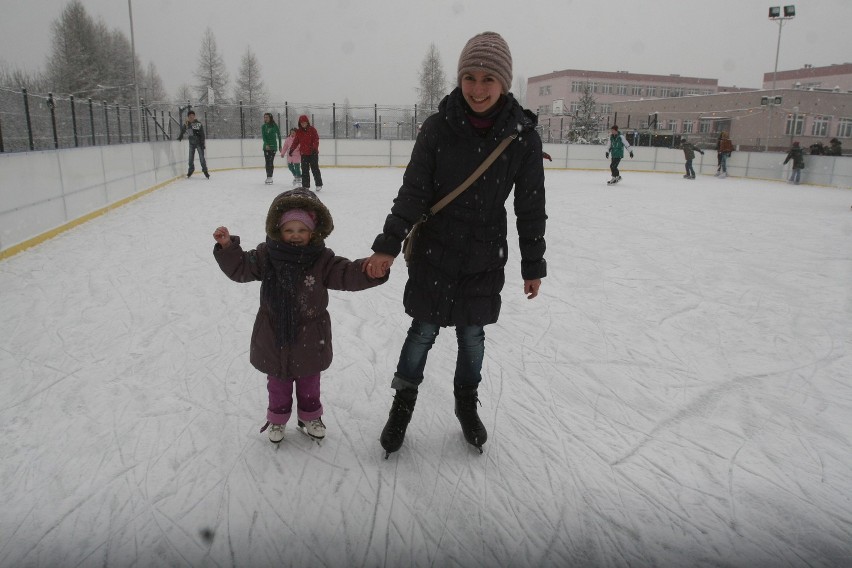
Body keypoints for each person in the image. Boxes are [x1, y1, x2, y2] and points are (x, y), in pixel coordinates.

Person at [363, 31, 547, 457]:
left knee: (472, 335)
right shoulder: (438, 127)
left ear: (504, 82)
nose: (478, 89)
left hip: (485, 252)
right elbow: (413, 192)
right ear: (459, 78)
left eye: (488, 79)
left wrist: (533, 265)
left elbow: (530, 206)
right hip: (435, 249)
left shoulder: (522, 136)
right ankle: (402, 405)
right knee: (422, 331)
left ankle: (466, 405)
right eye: (469, 77)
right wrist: (388, 245)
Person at [213, 188, 388, 444]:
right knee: (278, 383)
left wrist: (370, 271)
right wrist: (227, 247)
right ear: (278, 231)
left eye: (302, 230)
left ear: (313, 232)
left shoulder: (322, 260)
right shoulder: (266, 255)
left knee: (309, 382)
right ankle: (277, 419)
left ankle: (310, 416)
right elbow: (240, 268)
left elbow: (346, 273)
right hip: (274, 333)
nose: (295, 236)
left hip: (310, 334)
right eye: (289, 230)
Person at [289, 115, 323, 191]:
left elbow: (316, 139)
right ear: (299, 123)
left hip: (313, 153)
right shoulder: (299, 132)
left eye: (304, 122)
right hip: (304, 154)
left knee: (315, 169)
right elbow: (296, 142)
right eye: (301, 123)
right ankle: (306, 186)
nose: (303, 124)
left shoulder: (312, 130)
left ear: (307, 122)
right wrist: (291, 149)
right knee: (304, 170)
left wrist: (314, 148)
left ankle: (318, 184)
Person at [177, 110, 209, 179]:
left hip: (199, 143)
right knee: (190, 159)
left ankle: (205, 171)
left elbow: (202, 134)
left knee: (202, 159)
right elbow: (183, 130)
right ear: (188, 117)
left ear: (194, 116)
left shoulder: (198, 124)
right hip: (191, 143)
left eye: (192, 116)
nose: (191, 117)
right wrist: (180, 137)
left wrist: (202, 143)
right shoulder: (186, 124)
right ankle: (191, 170)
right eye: (190, 116)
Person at [261, 113, 282, 185]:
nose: (265, 118)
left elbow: (279, 136)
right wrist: (266, 144)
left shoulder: (274, 125)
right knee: (267, 161)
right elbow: (264, 137)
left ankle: (270, 177)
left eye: (267, 117)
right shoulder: (263, 126)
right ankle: (268, 176)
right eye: (264, 117)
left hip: (273, 147)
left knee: (271, 161)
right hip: (266, 147)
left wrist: (280, 146)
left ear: (270, 118)